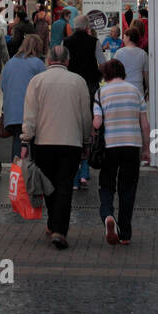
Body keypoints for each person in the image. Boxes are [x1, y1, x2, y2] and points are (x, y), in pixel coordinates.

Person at [21, 44, 92, 250]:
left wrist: (26, 140)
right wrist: (86, 141)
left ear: (48, 60)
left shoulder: (37, 81)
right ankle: (59, 230)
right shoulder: (78, 82)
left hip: (44, 142)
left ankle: (53, 225)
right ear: (67, 61)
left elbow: (30, 115)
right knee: (64, 186)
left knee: (49, 185)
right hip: (71, 143)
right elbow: (85, 116)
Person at [93, 59, 151, 244]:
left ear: (106, 74)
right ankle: (125, 233)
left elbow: (97, 122)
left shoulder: (101, 92)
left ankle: (108, 215)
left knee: (107, 184)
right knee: (128, 189)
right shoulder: (135, 91)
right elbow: (145, 124)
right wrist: (147, 149)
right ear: (123, 72)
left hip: (110, 146)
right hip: (131, 146)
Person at [65, 14, 102, 190]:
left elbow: (63, 63)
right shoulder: (94, 42)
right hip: (89, 85)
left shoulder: (66, 42)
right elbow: (102, 64)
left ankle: (73, 173)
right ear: (87, 27)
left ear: (74, 26)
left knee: (72, 125)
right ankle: (85, 170)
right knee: (88, 127)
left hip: (71, 85)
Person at [0, 33, 45, 159]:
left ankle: (16, 173)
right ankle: (32, 174)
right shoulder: (38, 64)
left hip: (12, 112)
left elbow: (3, 87)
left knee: (17, 141)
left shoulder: (10, 63)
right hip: (29, 112)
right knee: (35, 143)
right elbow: (45, 88)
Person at [115, 25, 149, 97]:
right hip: (138, 88)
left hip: (123, 88)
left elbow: (114, 73)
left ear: (128, 37)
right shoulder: (143, 54)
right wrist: (148, 88)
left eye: (124, 37)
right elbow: (146, 75)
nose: (123, 39)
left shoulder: (119, 53)